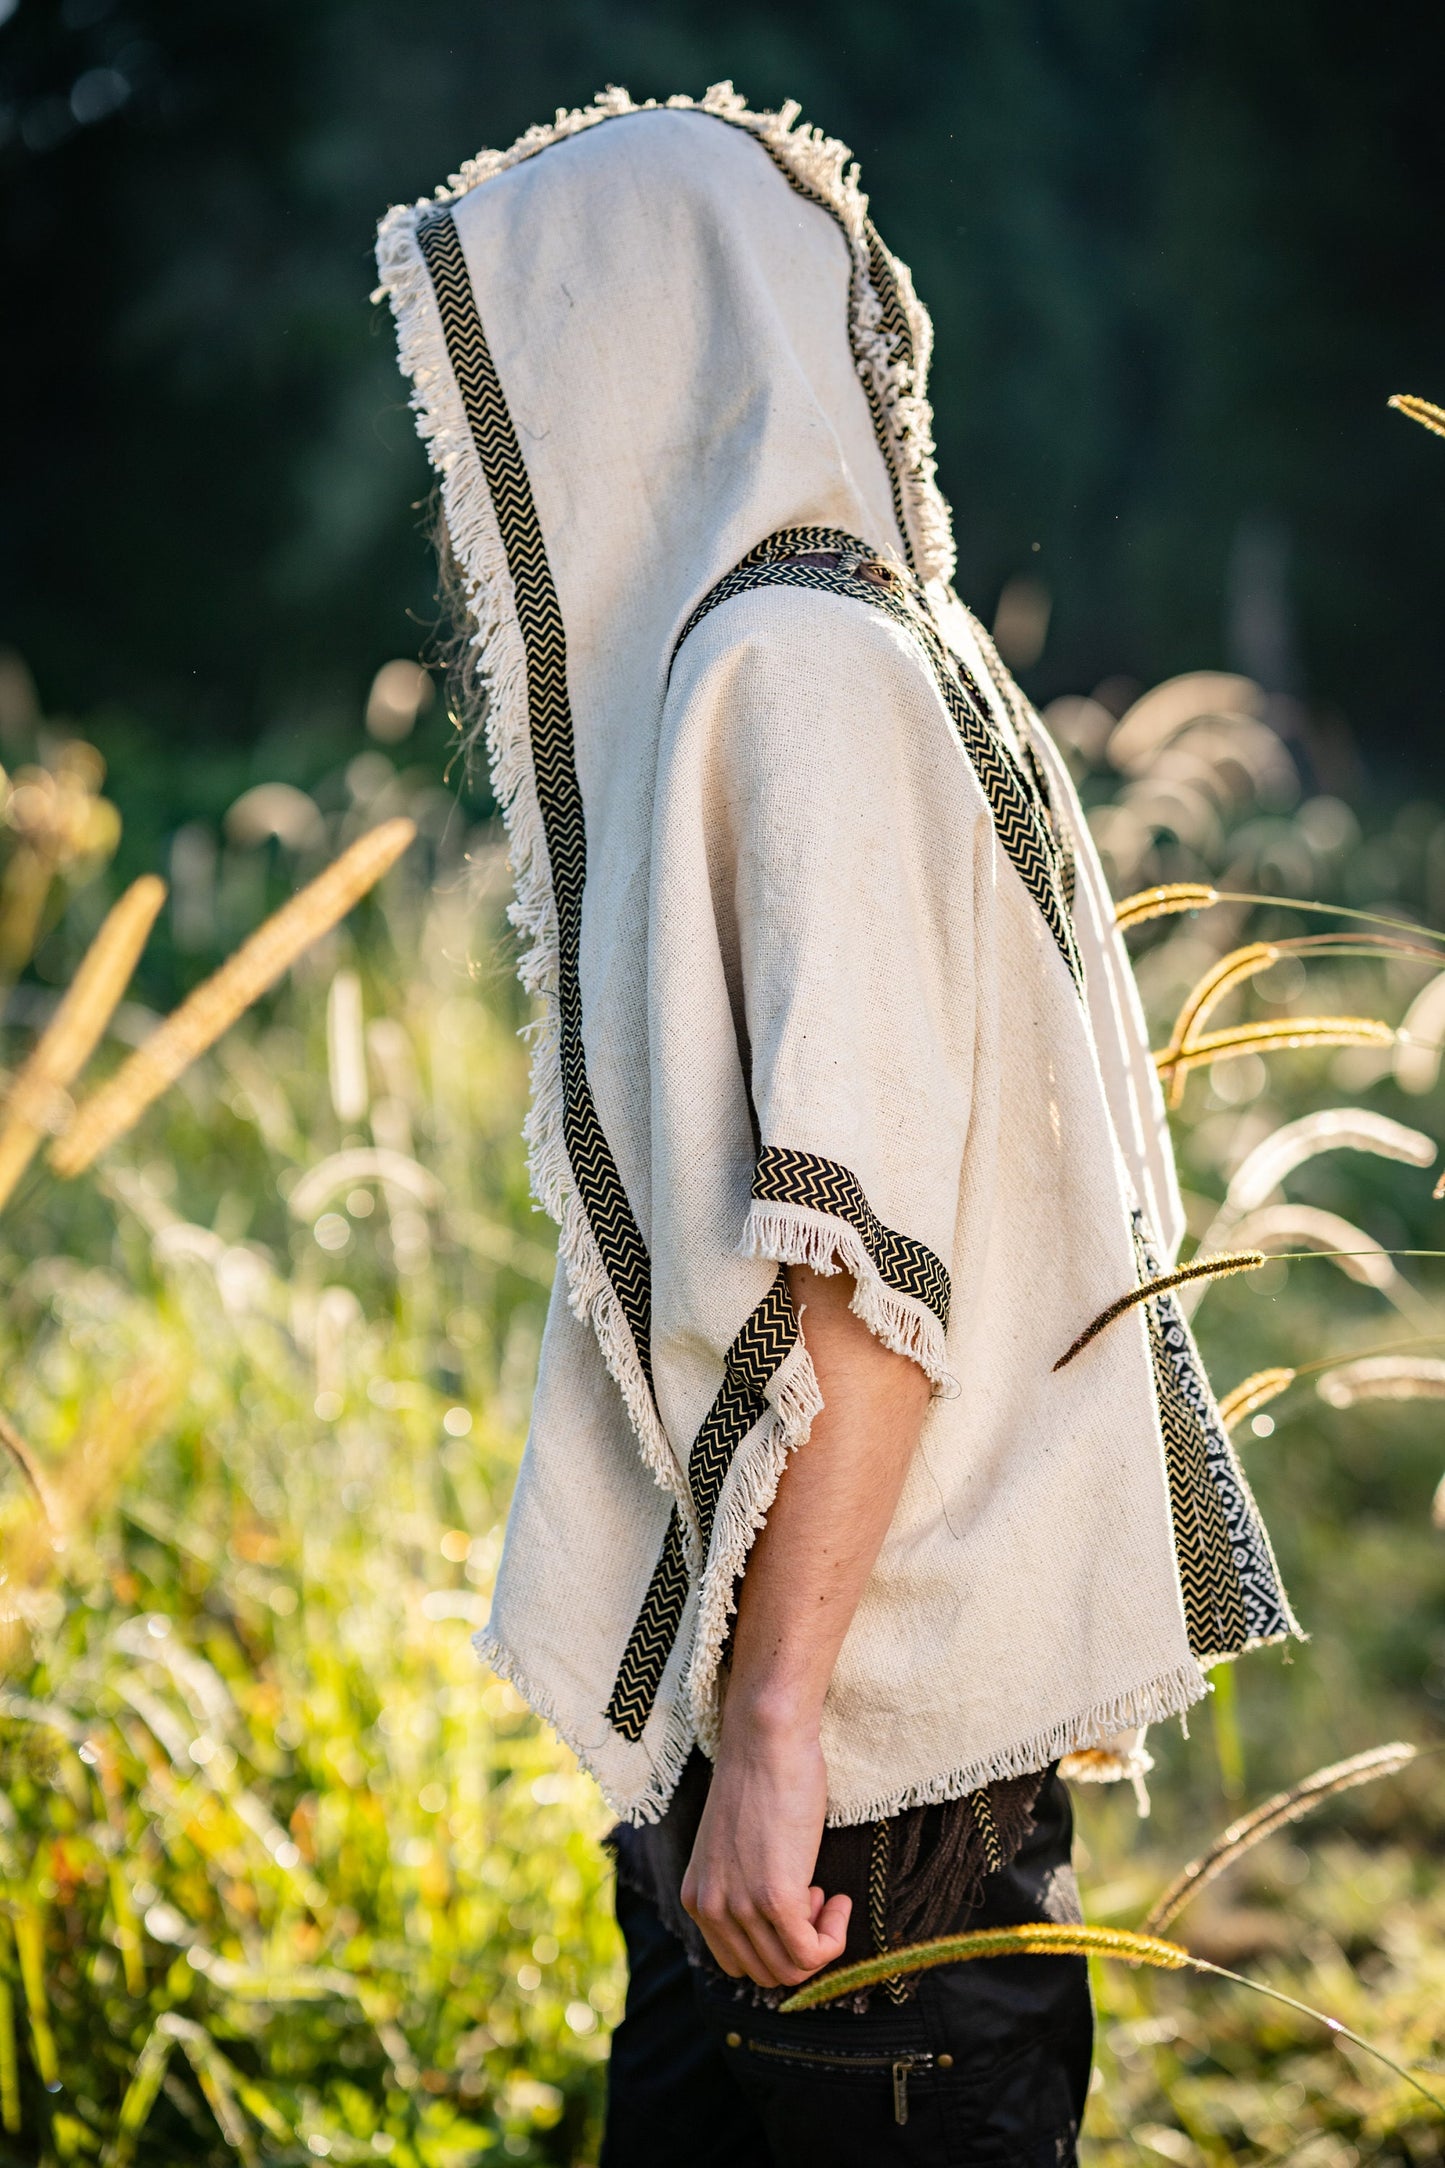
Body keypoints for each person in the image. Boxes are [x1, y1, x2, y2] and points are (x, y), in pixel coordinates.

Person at [377, 84, 1298, 2166]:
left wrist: (777, 1726)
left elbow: (867, 1260)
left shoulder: (794, 671)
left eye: (516, 382)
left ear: (644, 357)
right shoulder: (888, 643)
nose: (477, 483)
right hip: (887, 1819)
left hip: (857, 1820)